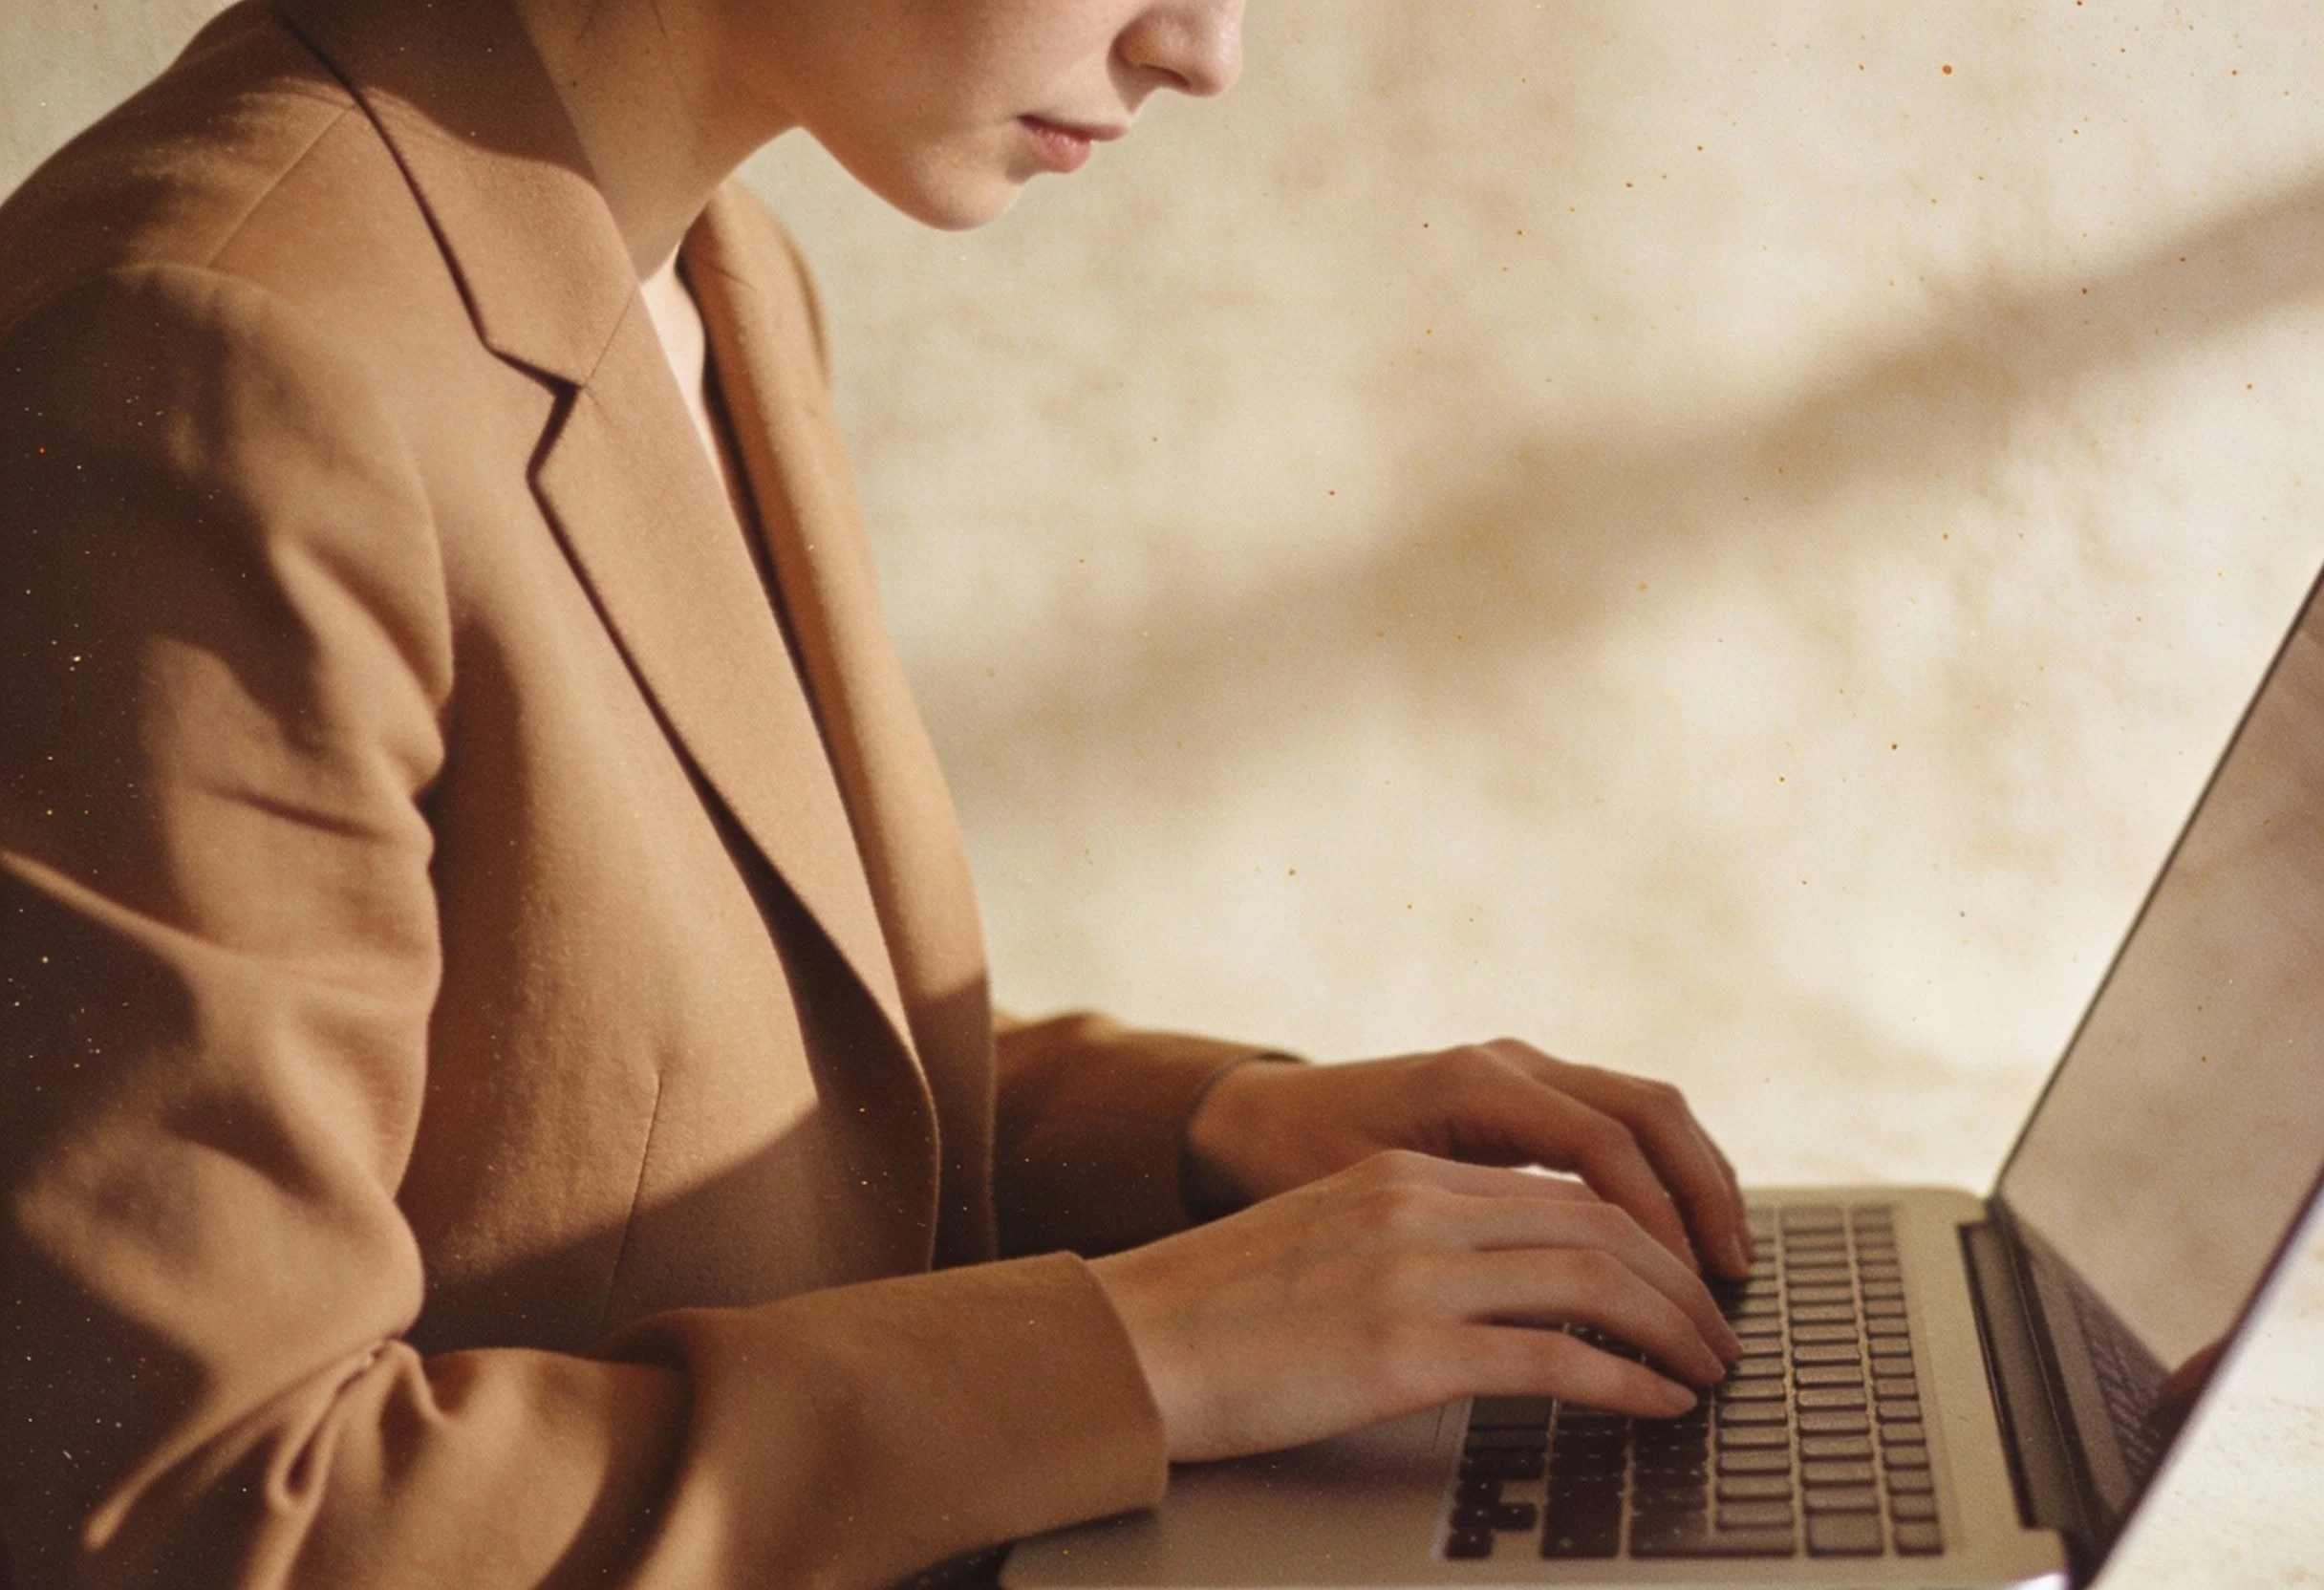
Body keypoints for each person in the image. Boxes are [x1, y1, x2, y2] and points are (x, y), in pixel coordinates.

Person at [0, 0, 1753, 1583]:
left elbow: (607, 1084)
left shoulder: (716, 269)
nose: (1204, 50)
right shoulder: (209, 356)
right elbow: (199, 1516)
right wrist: (1142, 1353)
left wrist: (1209, 1138)